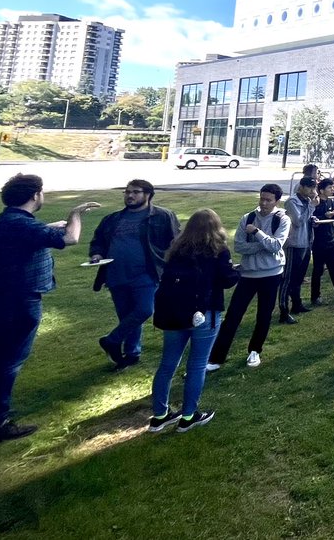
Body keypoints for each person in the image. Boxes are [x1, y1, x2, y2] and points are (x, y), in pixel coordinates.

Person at [0, 175, 100, 445]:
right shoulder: (21, 226)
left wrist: (47, 227)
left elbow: (23, 239)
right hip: (18, 302)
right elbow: (71, 238)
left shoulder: (3, 223)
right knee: (7, 362)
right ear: (35, 196)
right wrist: (75, 214)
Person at [148, 208, 239, 434]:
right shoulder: (218, 251)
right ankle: (189, 416)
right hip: (203, 313)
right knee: (197, 364)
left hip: (173, 313)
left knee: (167, 364)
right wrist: (237, 272)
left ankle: (159, 415)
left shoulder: (177, 250)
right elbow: (227, 280)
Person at [88, 179, 181, 368]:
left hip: (146, 273)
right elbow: (98, 241)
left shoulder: (162, 216)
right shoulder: (113, 219)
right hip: (115, 275)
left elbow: (176, 242)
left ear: (148, 195)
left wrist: (173, 267)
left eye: (135, 192)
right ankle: (131, 354)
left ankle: (112, 340)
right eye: (127, 192)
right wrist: (96, 253)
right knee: (127, 317)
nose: (130, 196)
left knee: (144, 310)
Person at [207, 184, 290, 371]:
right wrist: (263, 244)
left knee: (264, 315)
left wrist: (256, 233)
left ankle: (255, 350)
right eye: (262, 198)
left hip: (271, 273)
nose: (264, 203)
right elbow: (239, 246)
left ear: (276, 201)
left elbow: (277, 246)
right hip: (248, 273)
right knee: (233, 315)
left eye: (268, 200)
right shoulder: (248, 217)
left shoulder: (282, 219)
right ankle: (216, 357)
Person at [279, 176, 317, 323]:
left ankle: (297, 303)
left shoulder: (307, 201)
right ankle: (283, 310)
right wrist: (312, 206)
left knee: (299, 277)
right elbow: (298, 221)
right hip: (294, 244)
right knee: (287, 278)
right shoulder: (292, 201)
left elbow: (306, 219)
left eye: (313, 188)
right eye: (309, 188)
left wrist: (313, 220)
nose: (312, 191)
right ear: (301, 186)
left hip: (307, 243)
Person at [309, 178, 334, 305]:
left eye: (332, 187)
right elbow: (312, 219)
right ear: (322, 190)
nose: (332, 189)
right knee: (318, 270)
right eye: (329, 188)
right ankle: (315, 296)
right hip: (318, 241)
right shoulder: (315, 203)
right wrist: (325, 216)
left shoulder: (332, 202)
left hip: (330, 240)